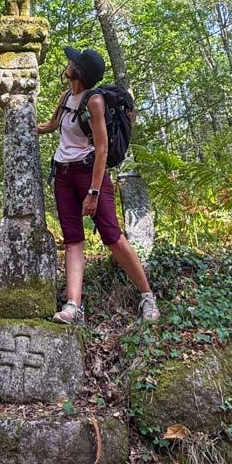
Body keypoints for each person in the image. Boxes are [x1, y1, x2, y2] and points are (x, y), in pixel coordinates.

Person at [38, 46, 159, 325]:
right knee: (72, 239)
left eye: (72, 62)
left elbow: (102, 149)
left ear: (79, 71)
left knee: (112, 236)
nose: (68, 63)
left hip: (89, 174)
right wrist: (18, 121)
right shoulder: (65, 96)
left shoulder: (94, 101)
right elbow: (51, 125)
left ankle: (147, 296)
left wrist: (93, 193)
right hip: (63, 175)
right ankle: (73, 306)